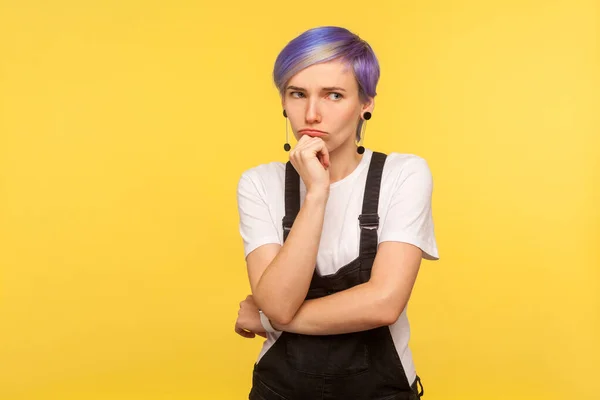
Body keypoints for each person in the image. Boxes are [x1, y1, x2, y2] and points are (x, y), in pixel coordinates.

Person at [234, 26, 439, 400]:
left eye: (333, 95)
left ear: (366, 103)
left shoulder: (403, 174)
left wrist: (267, 318)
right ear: (283, 99)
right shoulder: (259, 184)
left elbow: (383, 303)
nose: (312, 113)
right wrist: (316, 193)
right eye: (298, 94)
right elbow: (279, 301)